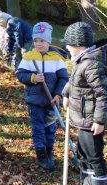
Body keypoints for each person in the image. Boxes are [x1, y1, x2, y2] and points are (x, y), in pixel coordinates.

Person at [62, 22, 107, 185]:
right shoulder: (81, 61)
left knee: (94, 156)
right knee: (83, 153)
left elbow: (104, 93)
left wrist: (100, 120)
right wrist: (66, 93)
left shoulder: (91, 64)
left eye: (68, 44)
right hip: (81, 118)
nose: (66, 47)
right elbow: (74, 81)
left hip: (91, 120)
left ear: (77, 45)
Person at [16, 22, 69, 171]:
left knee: (50, 128)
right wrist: (33, 78)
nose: (39, 44)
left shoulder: (57, 58)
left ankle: (49, 152)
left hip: (52, 101)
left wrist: (58, 94)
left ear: (49, 41)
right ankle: (42, 156)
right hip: (35, 101)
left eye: (42, 41)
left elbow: (64, 78)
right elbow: (20, 74)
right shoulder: (29, 57)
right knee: (38, 128)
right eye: (36, 41)